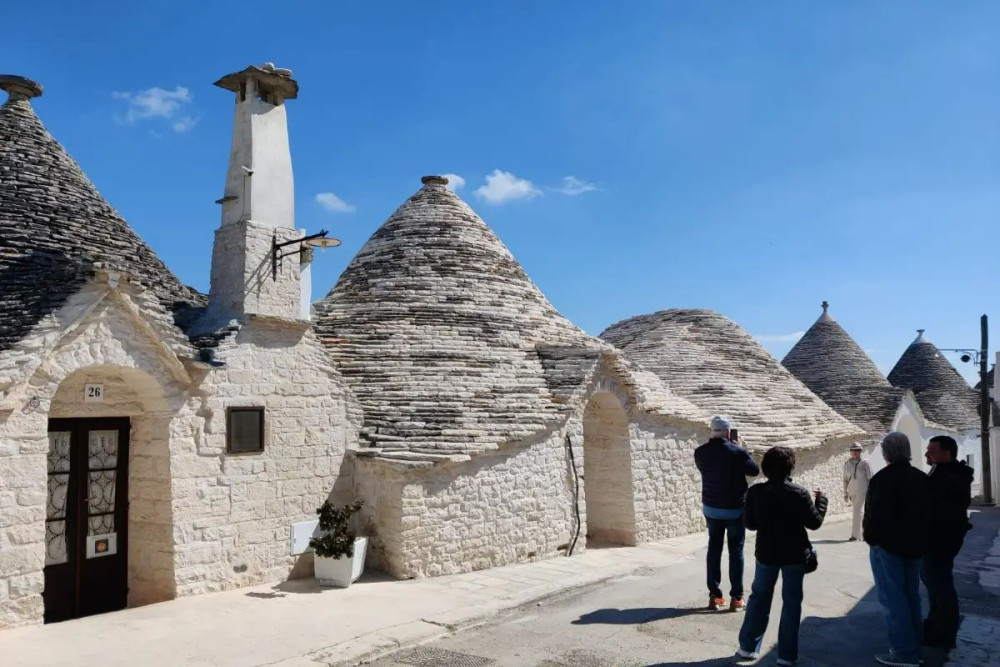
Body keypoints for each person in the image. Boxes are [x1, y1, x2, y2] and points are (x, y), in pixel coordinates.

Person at [736, 446, 827, 665]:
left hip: (766, 553)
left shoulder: (756, 492)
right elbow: (814, 523)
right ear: (790, 467)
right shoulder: (799, 493)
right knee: (792, 603)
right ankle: (786, 655)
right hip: (794, 554)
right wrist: (821, 502)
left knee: (759, 598)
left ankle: (748, 647)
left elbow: (750, 524)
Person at [864, 432, 929, 667]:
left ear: (886, 452)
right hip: (914, 546)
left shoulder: (881, 479)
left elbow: (874, 516)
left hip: (888, 546)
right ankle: (915, 646)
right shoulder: (921, 478)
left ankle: (904, 653)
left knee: (893, 599)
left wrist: (871, 540)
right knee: (911, 595)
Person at [694, 416, 760, 612]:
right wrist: (742, 450)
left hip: (711, 508)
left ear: (712, 431)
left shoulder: (700, 452)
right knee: (736, 551)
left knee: (714, 549)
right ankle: (737, 598)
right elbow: (754, 471)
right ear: (728, 432)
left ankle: (715, 596)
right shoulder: (737, 452)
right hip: (734, 509)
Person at [921, 435, 973, 648]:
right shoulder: (945, 472)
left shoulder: (950, 477)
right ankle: (935, 624)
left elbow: (939, 507)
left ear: (946, 453)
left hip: (942, 538)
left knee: (940, 584)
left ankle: (943, 633)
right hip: (937, 537)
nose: (927, 454)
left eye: (931, 451)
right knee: (934, 582)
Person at [843, 442, 873, 541]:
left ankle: (855, 536)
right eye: (852, 450)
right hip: (852, 491)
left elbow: (871, 478)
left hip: (863, 491)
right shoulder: (847, 463)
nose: (854, 452)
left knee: (857, 511)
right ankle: (865, 534)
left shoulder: (865, 463)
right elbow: (845, 479)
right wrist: (845, 492)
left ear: (860, 451)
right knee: (861, 513)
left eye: (857, 450)